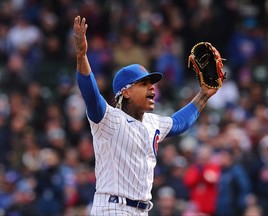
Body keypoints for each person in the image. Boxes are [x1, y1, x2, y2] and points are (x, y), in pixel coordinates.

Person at [73, 15, 220, 216]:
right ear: (125, 92)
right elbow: (91, 94)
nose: (152, 87)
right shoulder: (109, 119)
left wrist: (204, 94)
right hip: (111, 208)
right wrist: (82, 57)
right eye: (143, 84)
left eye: (152, 83)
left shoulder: (153, 122)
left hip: (141, 211)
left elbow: (179, 123)